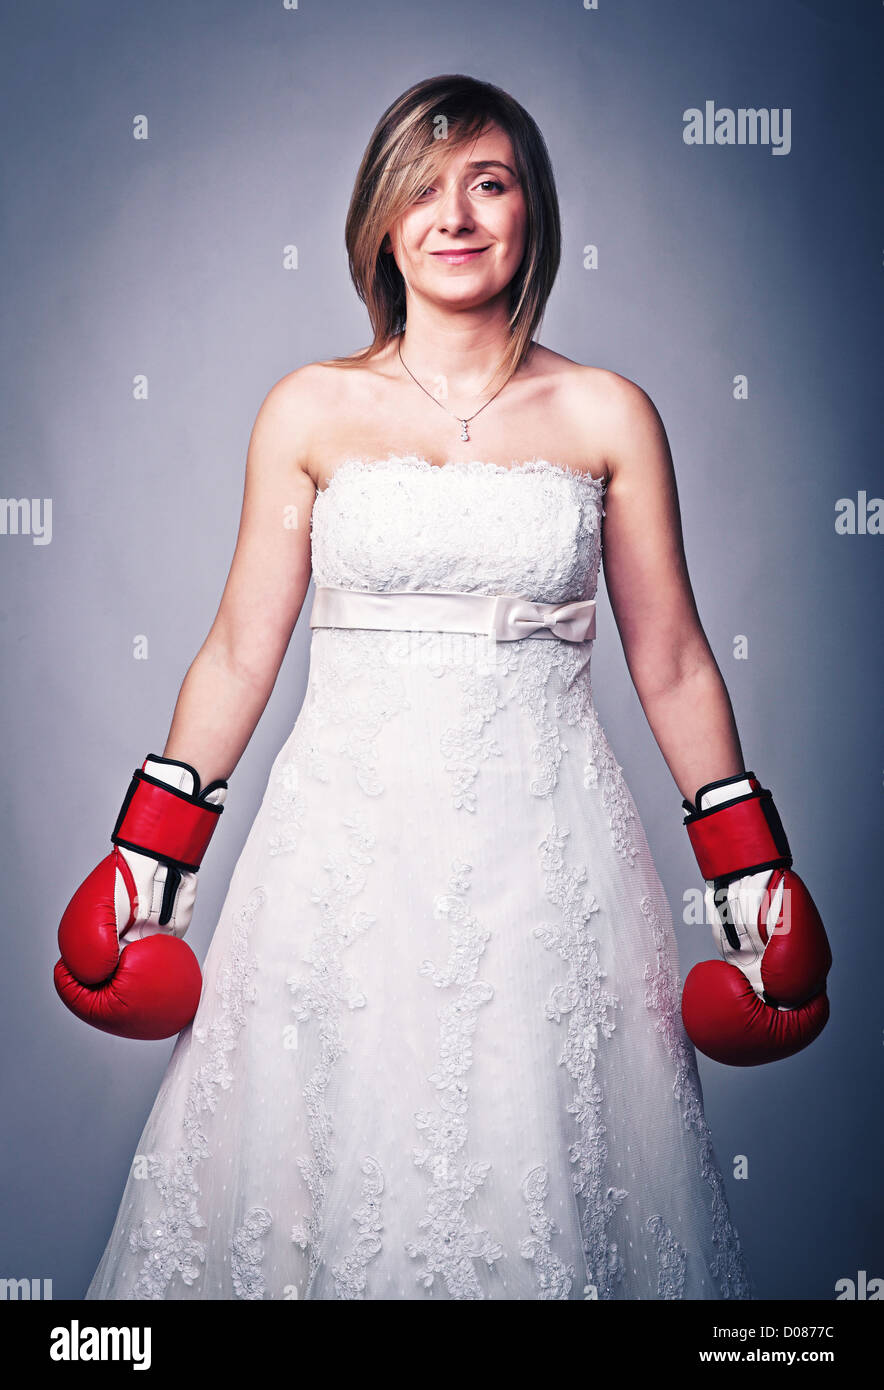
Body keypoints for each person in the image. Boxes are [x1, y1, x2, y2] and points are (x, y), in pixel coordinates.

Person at [68, 72, 821, 1301]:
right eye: (422, 187)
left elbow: (672, 658)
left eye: (487, 181)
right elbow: (239, 649)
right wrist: (145, 863)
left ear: (531, 213)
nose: (454, 214)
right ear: (379, 219)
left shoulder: (608, 412)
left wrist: (750, 884)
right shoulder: (307, 407)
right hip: (339, 857)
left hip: (550, 865)